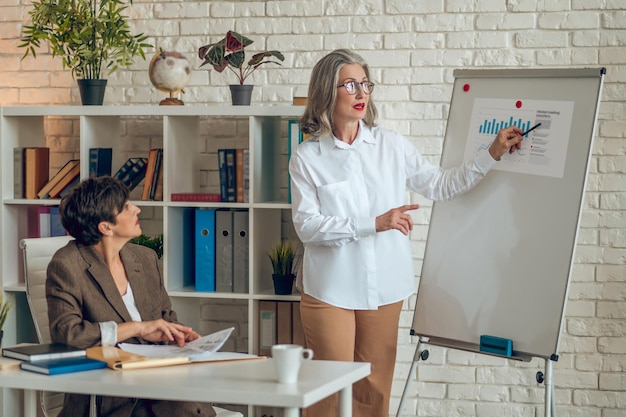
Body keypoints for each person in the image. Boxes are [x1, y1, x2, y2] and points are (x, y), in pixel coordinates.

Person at [288, 49, 524, 417]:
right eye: (350, 84)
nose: (361, 92)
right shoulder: (307, 157)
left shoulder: (391, 145)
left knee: (374, 391)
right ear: (327, 92)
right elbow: (308, 227)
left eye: (365, 83)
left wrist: (490, 153)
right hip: (330, 289)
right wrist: (374, 223)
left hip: (384, 286)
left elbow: (442, 185)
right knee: (326, 392)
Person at [46, 176, 216, 417]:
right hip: (110, 395)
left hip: (161, 381)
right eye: (126, 207)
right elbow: (69, 335)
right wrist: (137, 328)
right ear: (105, 227)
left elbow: (166, 317)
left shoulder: (145, 259)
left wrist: (178, 336)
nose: (137, 208)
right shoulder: (66, 265)